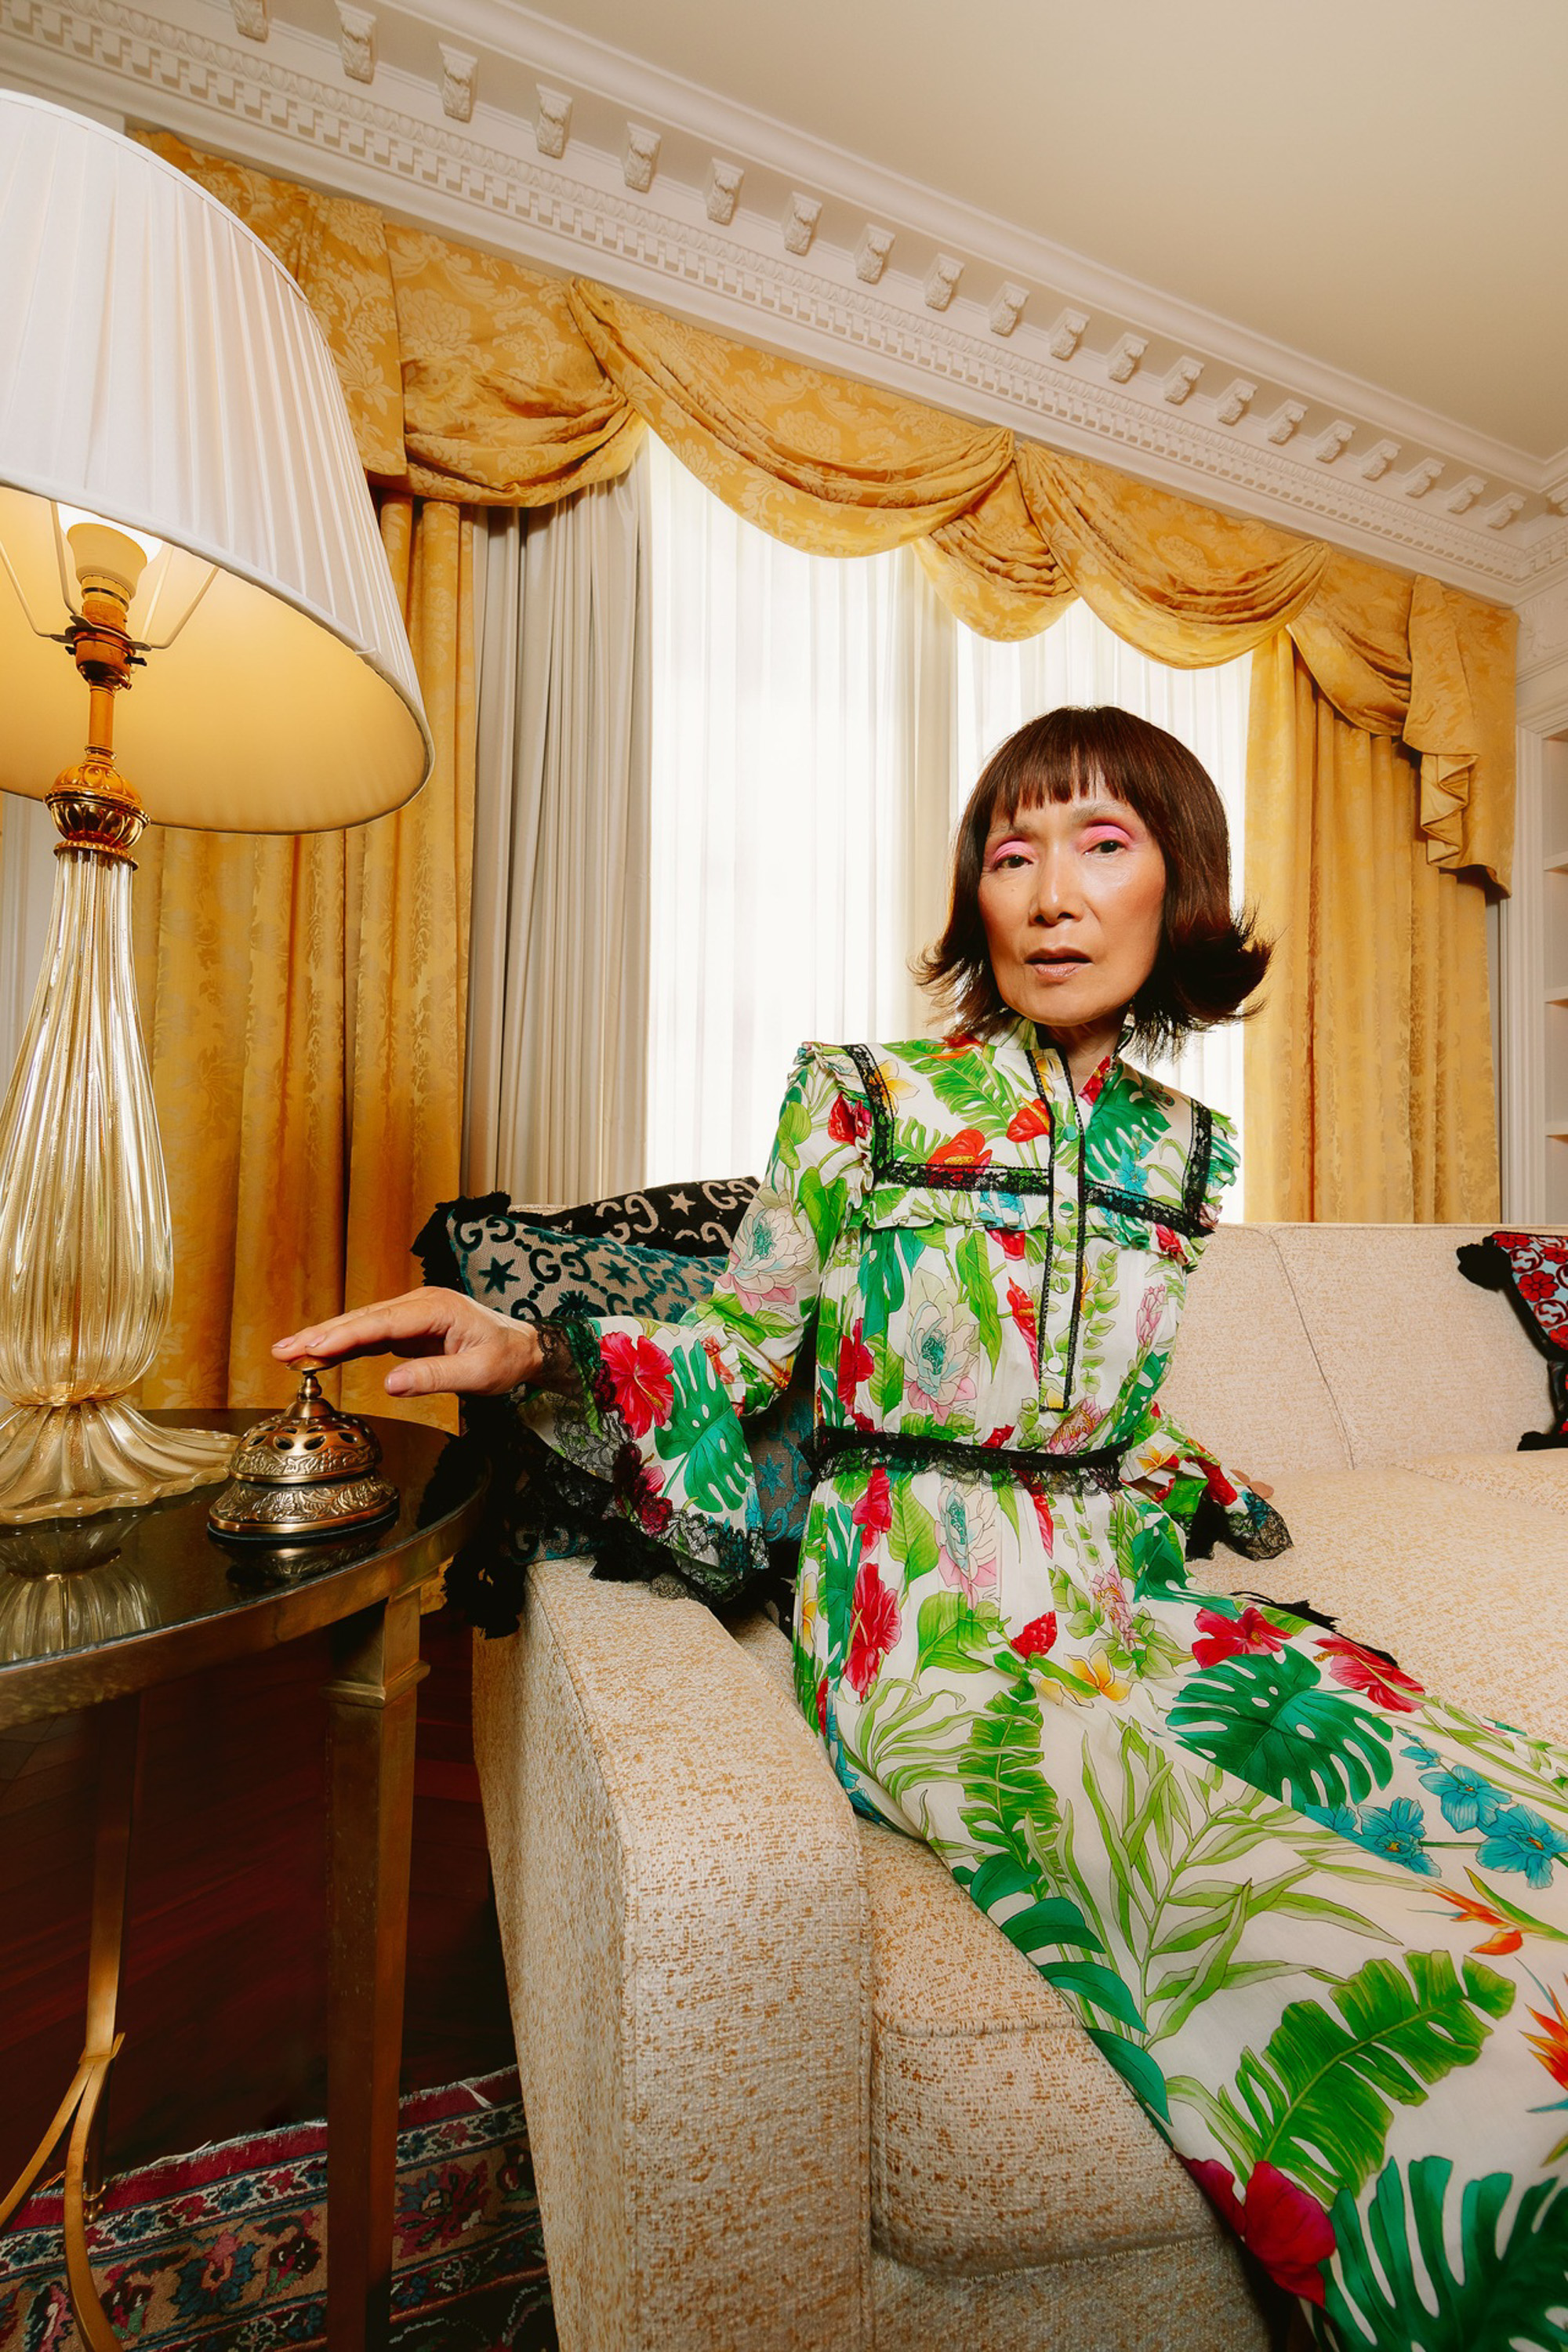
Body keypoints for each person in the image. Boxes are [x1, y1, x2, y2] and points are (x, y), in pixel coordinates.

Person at [278, 707, 1568, 2342]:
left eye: (1102, 844)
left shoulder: (1186, 1154)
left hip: (1126, 1603)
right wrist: (534, 1348)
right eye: (1011, 852)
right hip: (928, 1631)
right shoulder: (866, 1100)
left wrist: (1199, 1477)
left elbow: (1094, 1402)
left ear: (1176, 883)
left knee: (1480, 1810)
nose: (1048, 891)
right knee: (1312, 1917)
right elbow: (742, 1359)